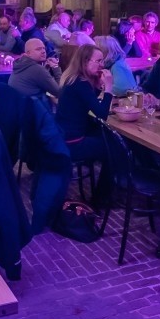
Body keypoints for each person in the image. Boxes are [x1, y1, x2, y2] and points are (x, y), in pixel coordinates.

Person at [55, 44, 114, 201]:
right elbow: (102, 115)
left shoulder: (73, 79)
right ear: (86, 61)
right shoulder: (81, 84)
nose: (102, 65)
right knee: (114, 149)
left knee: (109, 138)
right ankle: (101, 199)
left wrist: (98, 86)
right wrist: (108, 88)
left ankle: (110, 188)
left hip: (62, 136)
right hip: (73, 142)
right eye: (99, 61)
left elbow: (87, 102)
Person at [9, 36, 62, 101]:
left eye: (43, 48)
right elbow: (59, 92)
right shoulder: (37, 69)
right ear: (28, 53)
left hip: (18, 105)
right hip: (32, 108)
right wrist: (55, 67)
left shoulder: (20, 64)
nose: (43, 51)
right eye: (38, 49)